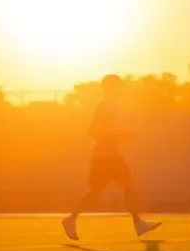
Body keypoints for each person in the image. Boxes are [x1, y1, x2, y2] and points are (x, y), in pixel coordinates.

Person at [61, 74, 161, 242]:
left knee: (110, 190)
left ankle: (137, 223)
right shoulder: (104, 107)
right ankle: (71, 219)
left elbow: (105, 131)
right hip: (104, 157)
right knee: (100, 193)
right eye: (117, 86)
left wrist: (122, 135)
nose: (120, 90)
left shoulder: (112, 106)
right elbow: (93, 131)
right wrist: (122, 135)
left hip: (111, 156)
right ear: (108, 88)